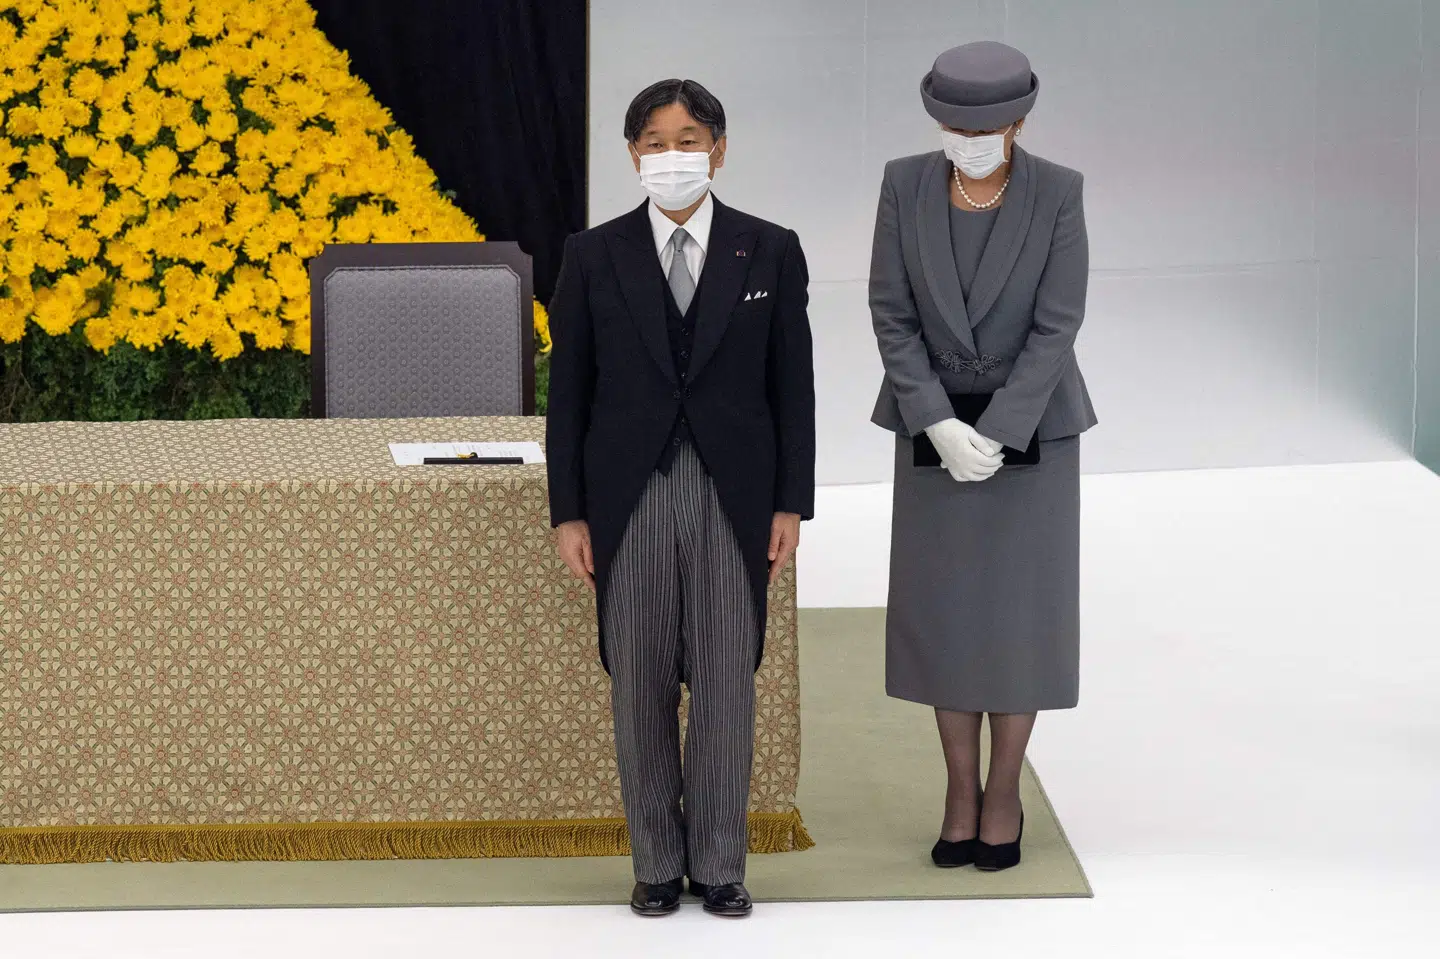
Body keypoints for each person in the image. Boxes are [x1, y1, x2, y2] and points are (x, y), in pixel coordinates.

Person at [545, 78, 815, 918]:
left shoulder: (769, 249)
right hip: (631, 496)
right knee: (640, 679)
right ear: (632, 155)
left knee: (729, 679)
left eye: (688, 138)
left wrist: (789, 503)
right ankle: (657, 860)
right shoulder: (592, 255)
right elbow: (571, 395)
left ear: (720, 149)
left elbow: (792, 387)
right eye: (655, 142)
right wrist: (569, 512)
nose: (673, 155)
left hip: (734, 494)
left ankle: (722, 863)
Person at [867, 41, 1097, 872]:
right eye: (954, 125)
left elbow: (1057, 322)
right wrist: (934, 420)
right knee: (948, 614)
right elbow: (890, 312)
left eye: (987, 126)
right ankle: (957, 786)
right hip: (933, 431)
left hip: (1032, 426)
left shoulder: (1059, 192)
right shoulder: (903, 184)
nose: (968, 138)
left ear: (1019, 120)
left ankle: (1005, 790)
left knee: (1018, 617)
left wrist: (998, 428)